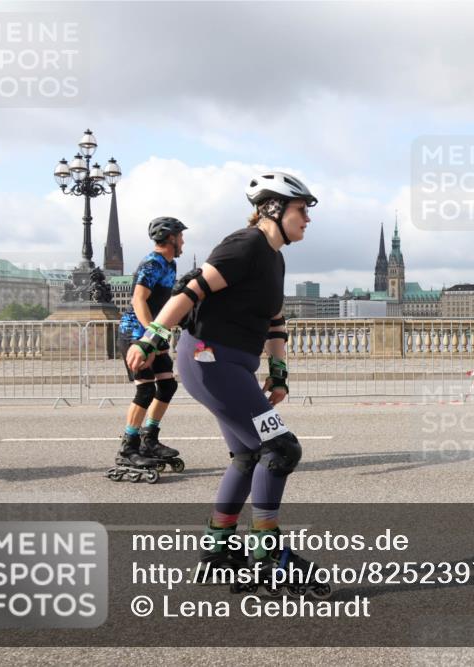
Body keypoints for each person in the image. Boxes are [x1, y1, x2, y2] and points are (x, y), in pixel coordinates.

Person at [125, 172, 330, 596]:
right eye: (301, 210)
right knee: (281, 447)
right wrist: (153, 337)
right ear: (274, 208)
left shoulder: (274, 256)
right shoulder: (246, 243)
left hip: (231, 365)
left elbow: (274, 320)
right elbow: (190, 290)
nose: (307, 219)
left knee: (248, 453)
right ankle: (268, 554)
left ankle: (219, 550)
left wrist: (278, 373)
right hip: (209, 360)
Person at [110, 217, 187, 483]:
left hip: (155, 332)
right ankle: (128, 447)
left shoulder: (171, 264)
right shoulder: (152, 263)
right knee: (145, 389)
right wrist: (149, 336)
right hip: (136, 333)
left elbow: (166, 301)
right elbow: (138, 300)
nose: (183, 241)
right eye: (181, 237)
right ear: (171, 238)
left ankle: (149, 440)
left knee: (167, 386)